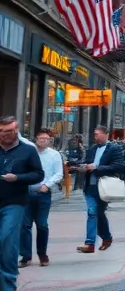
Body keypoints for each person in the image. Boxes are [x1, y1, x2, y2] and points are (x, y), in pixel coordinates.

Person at [0, 116, 43, 290]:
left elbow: (38, 175)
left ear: (17, 130)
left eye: (8, 131)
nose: (3, 135)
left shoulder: (28, 150)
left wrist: (18, 178)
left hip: (14, 203)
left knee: (6, 240)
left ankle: (9, 284)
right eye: (1, 131)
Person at [19, 129, 62, 268]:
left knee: (42, 224)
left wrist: (47, 185)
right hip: (27, 192)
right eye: (40, 138)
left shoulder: (54, 155)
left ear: (50, 140)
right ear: (36, 139)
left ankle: (42, 254)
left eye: (46, 138)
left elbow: (58, 173)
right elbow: (19, 138)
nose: (43, 140)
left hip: (43, 193)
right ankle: (25, 256)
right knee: (25, 225)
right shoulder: (29, 150)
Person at [76, 125, 122, 254]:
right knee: (92, 212)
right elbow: (86, 163)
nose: (95, 136)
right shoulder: (92, 149)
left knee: (98, 213)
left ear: (105, 134)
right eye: (94, 134)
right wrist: (82, 167)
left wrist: (97, 168)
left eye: (97, 134)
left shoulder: (114, 149)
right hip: (90, 186)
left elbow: (119, 166)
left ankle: (106, 237)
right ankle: (90, 243)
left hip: (104, 187)